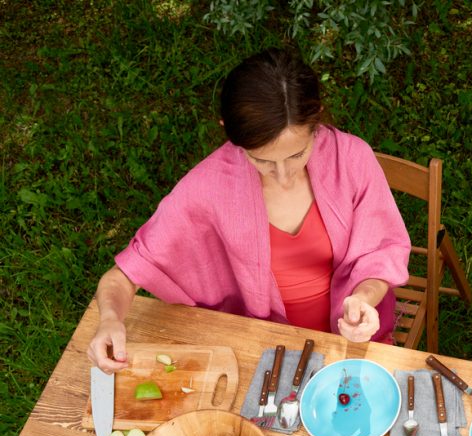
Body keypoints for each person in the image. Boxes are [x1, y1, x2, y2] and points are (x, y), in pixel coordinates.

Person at [88, 49, 410, 372]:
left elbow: (381, 254)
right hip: (263, 351)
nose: (284, 176)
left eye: (297, 155)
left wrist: (364, 299)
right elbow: (124, 275)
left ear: (317, 121)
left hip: (354, 342)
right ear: (229, 131)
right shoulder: (208, 186)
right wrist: (110, 319)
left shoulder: (352, 158)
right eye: (263, 161)